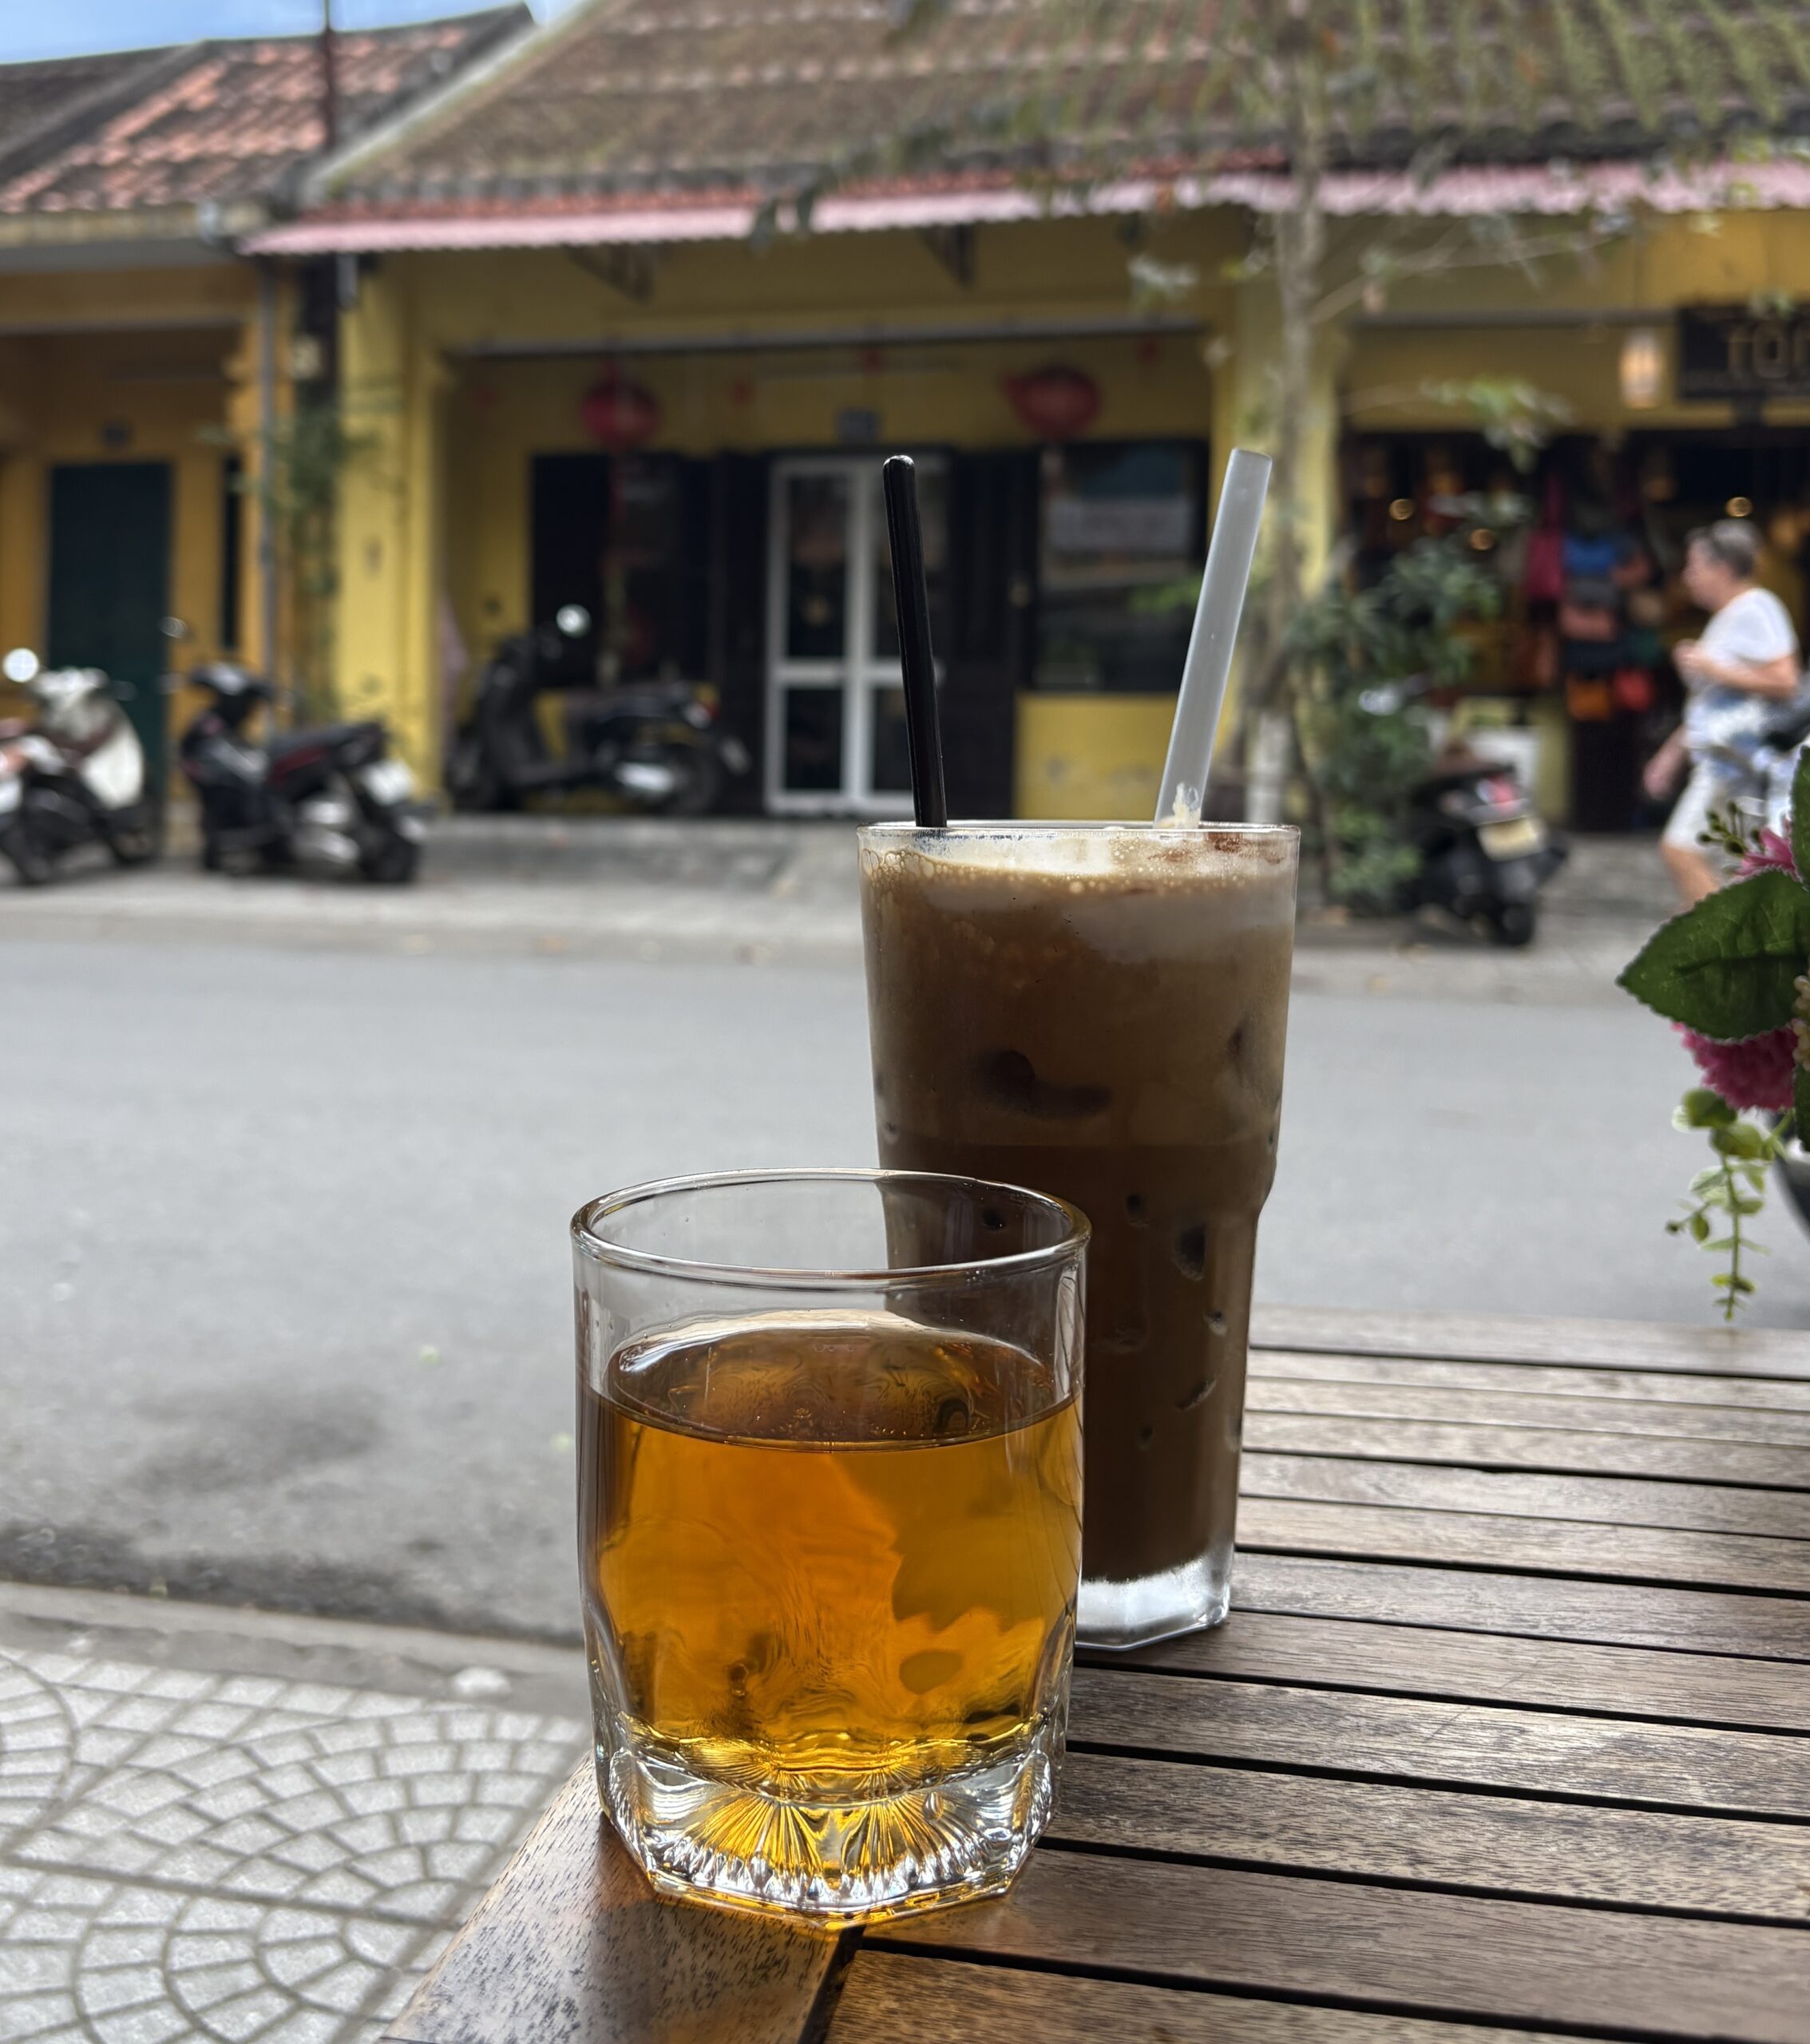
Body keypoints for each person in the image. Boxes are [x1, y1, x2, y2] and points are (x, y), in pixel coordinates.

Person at [1642, 521, 1802, 905]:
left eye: (1695, 566)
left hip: (1734, 769)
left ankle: (1726, 949)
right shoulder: (1732, 615)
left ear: (1723, 569)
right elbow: (1710, 706)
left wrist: (1710, 667)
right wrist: (1670, 756)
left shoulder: (1756, 608)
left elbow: (1785, 678)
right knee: (1732, 868)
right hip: (1725, 765)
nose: (1688, 577)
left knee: (1681, 849)